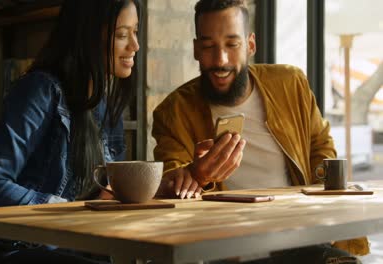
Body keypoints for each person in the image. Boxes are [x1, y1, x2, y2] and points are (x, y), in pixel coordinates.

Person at [152, 0, 368, 263]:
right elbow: (172, 179)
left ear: (251, 45)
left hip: (299, 239)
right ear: (196, 49)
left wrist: (322, 204)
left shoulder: (290, 83)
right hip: (223, 250)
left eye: (232, 44)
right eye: (209, 46)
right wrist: (199, 174)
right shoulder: (173, 112)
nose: (221, 60)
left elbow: (320, 146)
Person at [0, 1, 141, 263]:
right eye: (122, 35)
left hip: (79, 247)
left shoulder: (107, 108)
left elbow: (107, 193)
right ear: (86, 37)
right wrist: (70, 212)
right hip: (28, 250)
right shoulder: (41, 90)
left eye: (136, 32)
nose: (135, 46)